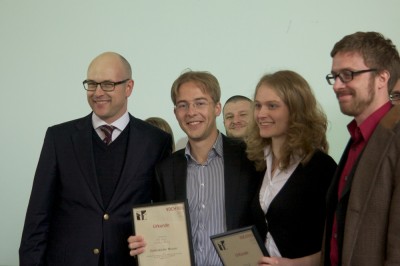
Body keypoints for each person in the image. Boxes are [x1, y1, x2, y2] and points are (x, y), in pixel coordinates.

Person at [19, 52, 172, 266]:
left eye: (108, 84)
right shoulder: (59, 138)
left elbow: (165, 217)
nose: (98, 92)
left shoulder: (156, 141)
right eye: (92, 84)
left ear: (129, 87)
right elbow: (37, 217)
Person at [128, 71, 260, 266]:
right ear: (175, 112)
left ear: (216, 108)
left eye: (200, 103)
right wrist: (144, 242)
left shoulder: (249, 159)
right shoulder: (165, 170)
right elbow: (160, 230)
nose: (191, 112)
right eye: (183, 105)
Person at [322, 31, 400, 266]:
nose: (337, 86)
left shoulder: (396, 136)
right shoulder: (357, 137)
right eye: (334, 76)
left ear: (382, 78)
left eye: (348, 75)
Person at [245, 70, 337, 266]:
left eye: (272, 106)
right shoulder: (258, 163)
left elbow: (335, 245)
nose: (261, 114)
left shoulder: (321, 167)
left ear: (296, 110)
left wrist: (292, 264)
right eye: (258, 106)